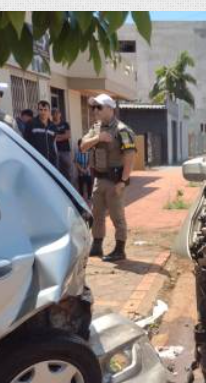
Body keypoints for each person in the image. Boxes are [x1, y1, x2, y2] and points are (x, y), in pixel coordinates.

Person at [80, 94, 136, 262]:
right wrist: (98, 138)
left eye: (99, 107)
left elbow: (130, 157)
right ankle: (97, 246)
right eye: (93, 107)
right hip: (98, 178)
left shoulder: (122, 130)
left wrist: (123, 181)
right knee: (97, 214)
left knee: (117, 216)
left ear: (110, 109)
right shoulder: (96, 128)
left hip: (114, 180)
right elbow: (82, 146)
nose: (95, 110)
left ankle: (120, 250)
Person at [23, 100, 58, 165]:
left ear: (49, 111)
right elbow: (25, 142)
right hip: (36, 162)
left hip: (50, 162)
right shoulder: (31, 123)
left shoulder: (53, 126)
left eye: (45, 110)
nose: (43, 112)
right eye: (41, 109)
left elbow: (54, 145)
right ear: (38, 111)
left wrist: (55, 160)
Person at [52, 108, 75, 188]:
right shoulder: (51, 125)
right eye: (54, 113)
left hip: (66, 151)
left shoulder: (65, 124)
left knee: (68, 171)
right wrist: (62, 136)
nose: (56, 115)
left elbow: (68, 135)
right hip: (55, 151)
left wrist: (57, 137)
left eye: (57, 113)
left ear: (60, 114)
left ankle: (71, 189)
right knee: (57, 170)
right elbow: (52, 137)